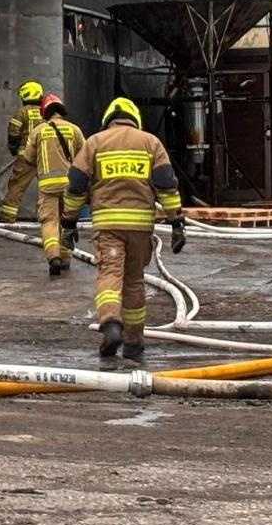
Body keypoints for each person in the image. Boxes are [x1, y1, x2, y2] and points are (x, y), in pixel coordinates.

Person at [61, 97, 183, 367]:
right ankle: (133, 342)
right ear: (134, 119)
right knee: (134, 280)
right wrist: (177, 223)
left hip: (108, 227)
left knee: (110, 275)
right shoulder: (151, 143)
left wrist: (68, 224)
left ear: (108, 119)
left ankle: (111, 322)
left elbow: (76, 186)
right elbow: (166, 186)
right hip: (140, 227)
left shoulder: (95, 143)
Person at [20, 92, 84, 276]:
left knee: (50, 221)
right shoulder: (74, 130)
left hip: (48, 186)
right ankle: (65, 260)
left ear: (45, 112)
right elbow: (85, 156)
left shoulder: (38, 131)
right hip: (70, 186)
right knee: (68, 222)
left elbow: (28, 158)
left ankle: (53, 258)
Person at [0, 80, 46, 223]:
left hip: (26, 158)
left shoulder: (22, 112)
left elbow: (13, 133)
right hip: (44, 157)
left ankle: (7, 217)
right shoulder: (46, 113)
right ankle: (52, 217)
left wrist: (13, 149)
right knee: (48, 188)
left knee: (17, 186)